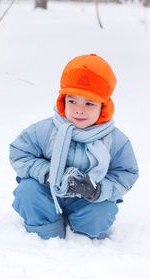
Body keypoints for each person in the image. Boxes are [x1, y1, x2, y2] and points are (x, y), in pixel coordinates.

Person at [9, 53, 139, 240]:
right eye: (72, 101)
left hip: (88, 202)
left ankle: (84, 237)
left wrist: (97, 190)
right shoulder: (46, 130)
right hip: (49, 194)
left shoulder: (115, 140)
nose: (79, 110)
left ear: (103, 107)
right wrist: (47, 174)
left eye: (89, 103)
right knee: (28, 191)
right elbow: (19, 153)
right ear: (63, 101)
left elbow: (126, 173)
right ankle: (46, 232)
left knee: (101, 212)